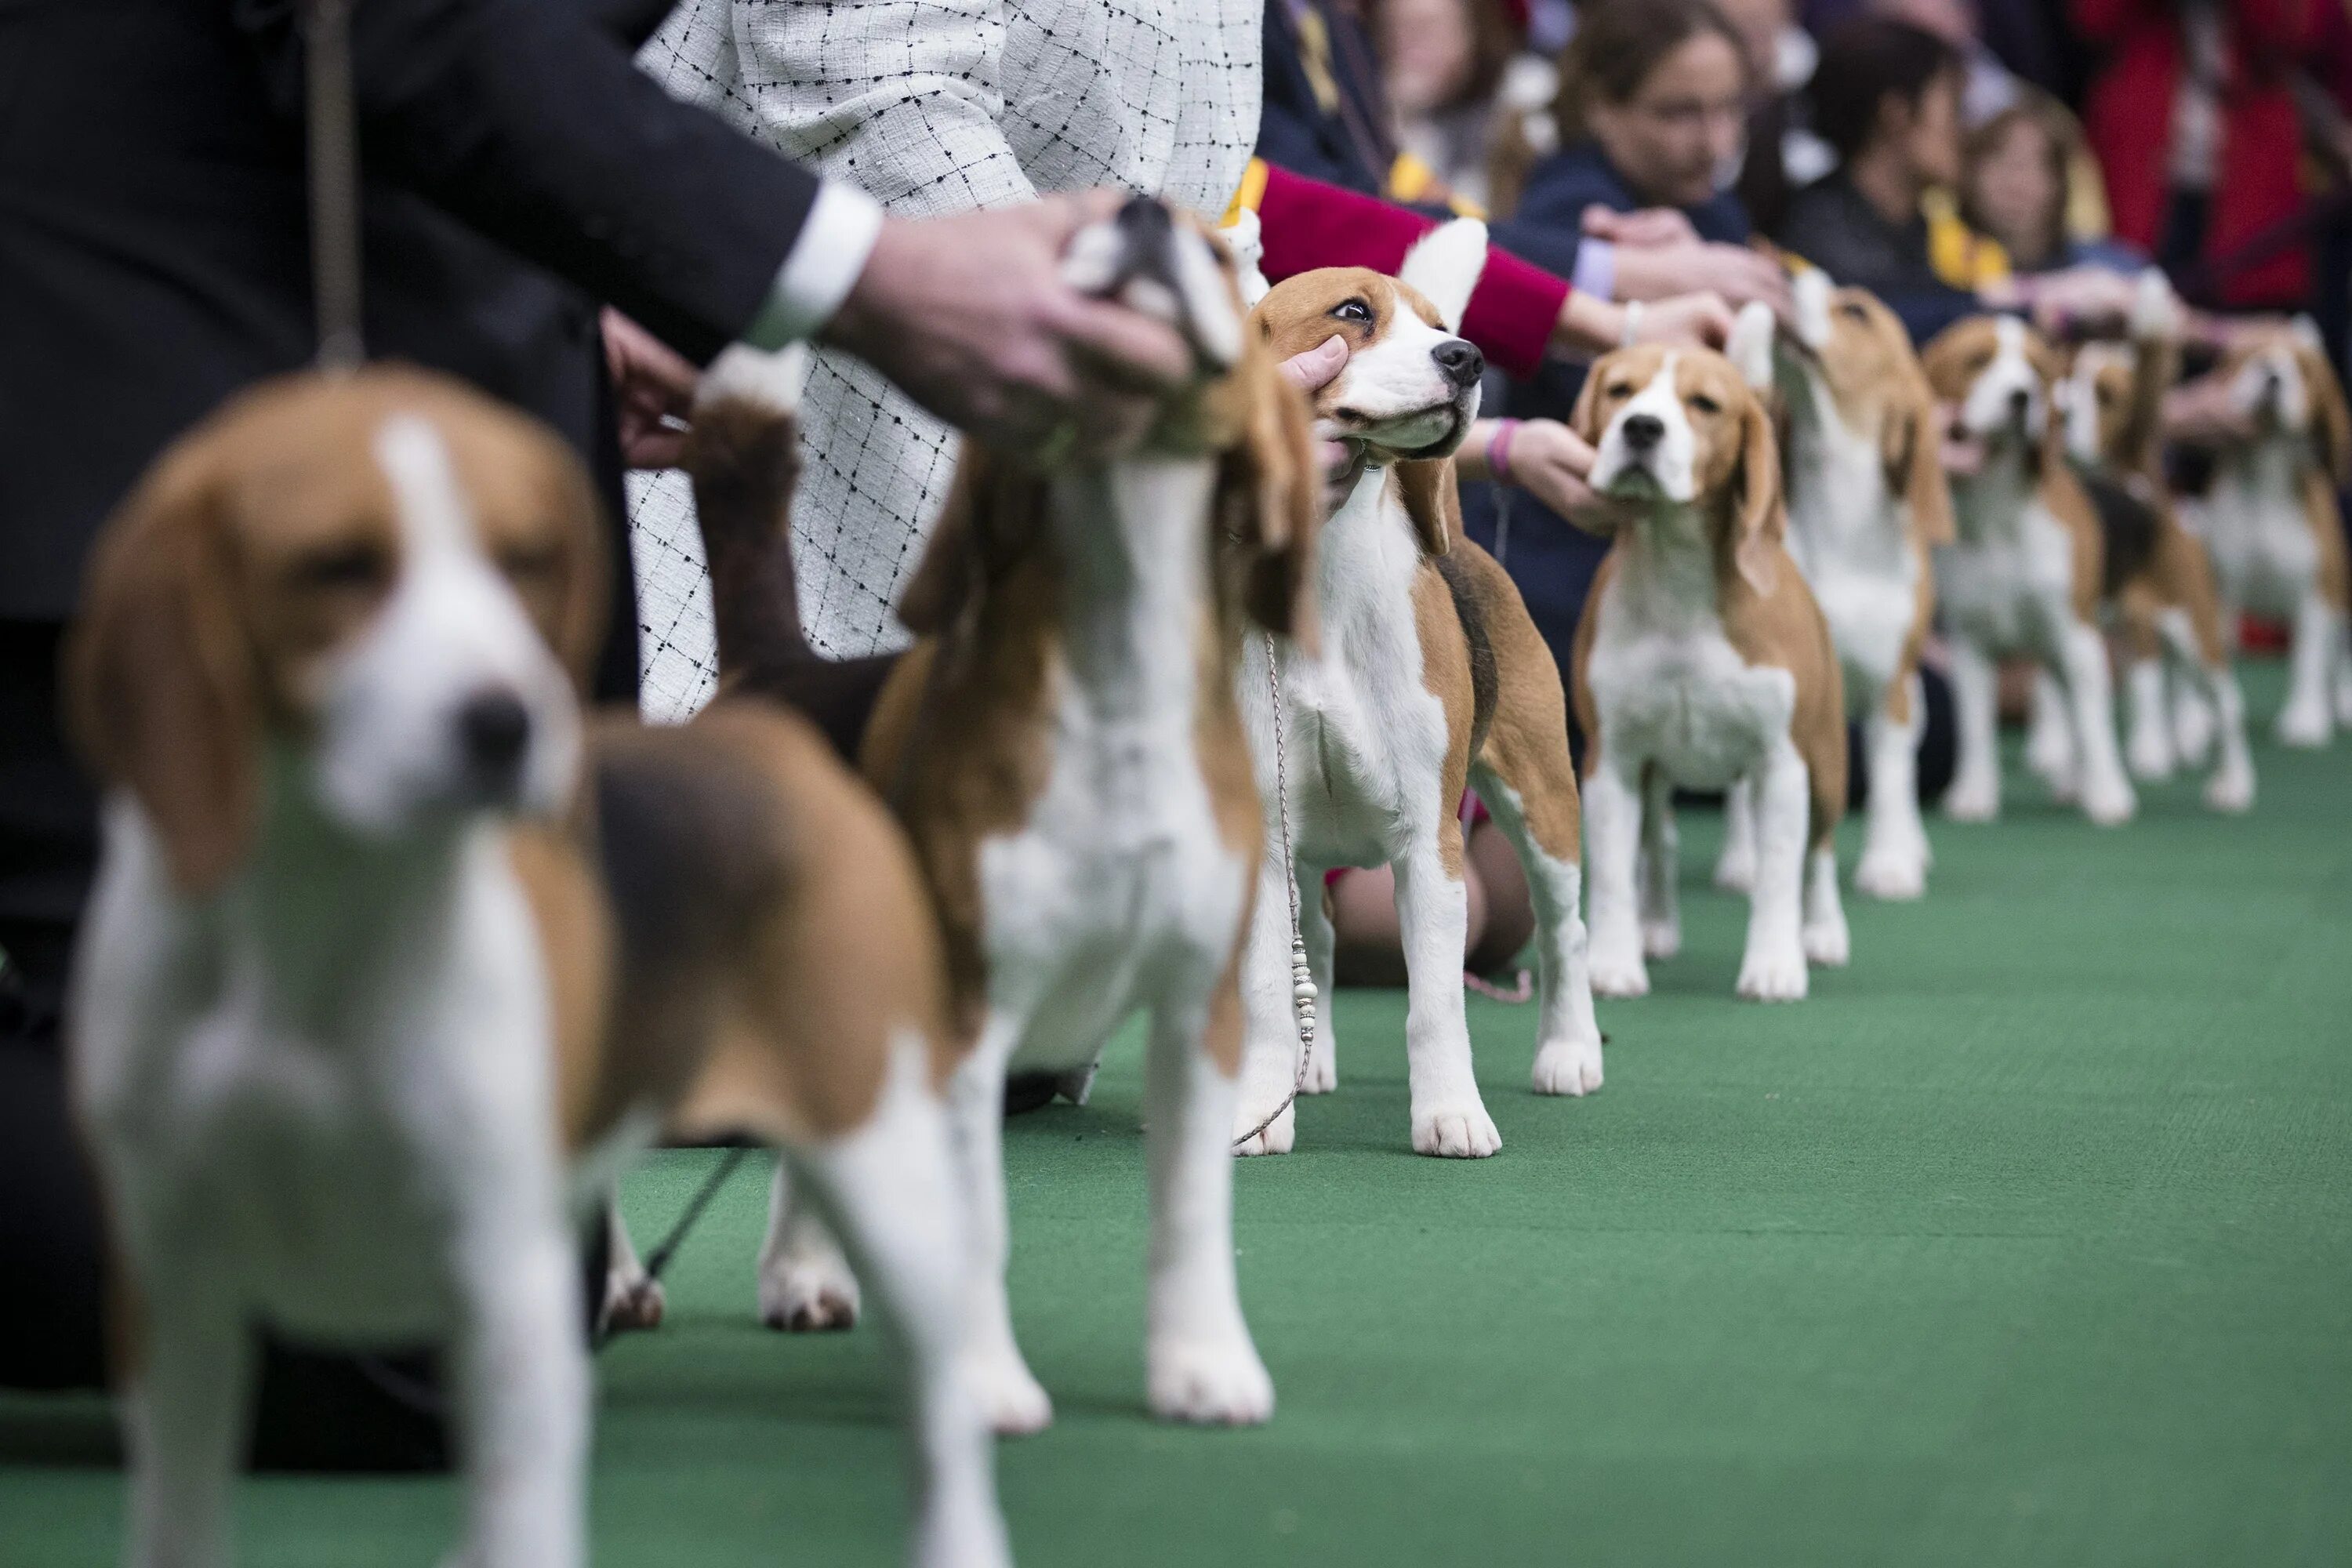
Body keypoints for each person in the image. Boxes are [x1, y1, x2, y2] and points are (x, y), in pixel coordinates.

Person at [0, 0, 1191, 1452]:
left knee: (496, 1279)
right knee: (391, 1335)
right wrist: (864, 272)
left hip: (418, 352)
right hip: (129, 424)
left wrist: (562, 292)